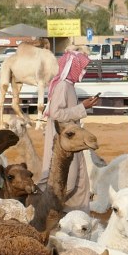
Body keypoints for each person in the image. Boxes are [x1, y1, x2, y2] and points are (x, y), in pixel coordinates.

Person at [41, 50, 93, 210]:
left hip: (73, 139)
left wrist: (83, 107)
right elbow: (56, 114)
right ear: (72, 67)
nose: (83, 72)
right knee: (67, 180)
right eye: (81, 68)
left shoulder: (69, 86)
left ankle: (76, 217)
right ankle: (44, 208)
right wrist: (82, 108)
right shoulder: (63, 86)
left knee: (80, 180)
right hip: (64, 141)